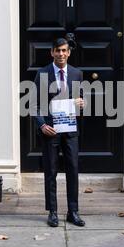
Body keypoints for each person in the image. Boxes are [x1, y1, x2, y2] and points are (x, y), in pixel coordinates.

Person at [33, 37, 86, 227]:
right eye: (58, 50)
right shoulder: (42, 74)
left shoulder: (76, 73)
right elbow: (34, 104)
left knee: (73, 170)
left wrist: (82, 103)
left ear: (69, 52)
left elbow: (79, 102)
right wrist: (41, 125)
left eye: (64, 50)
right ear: (52, 52)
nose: (61, 54)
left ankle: (73, 211)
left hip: (70, 130)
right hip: (50, 131)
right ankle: (53, 212)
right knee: (51, 171)